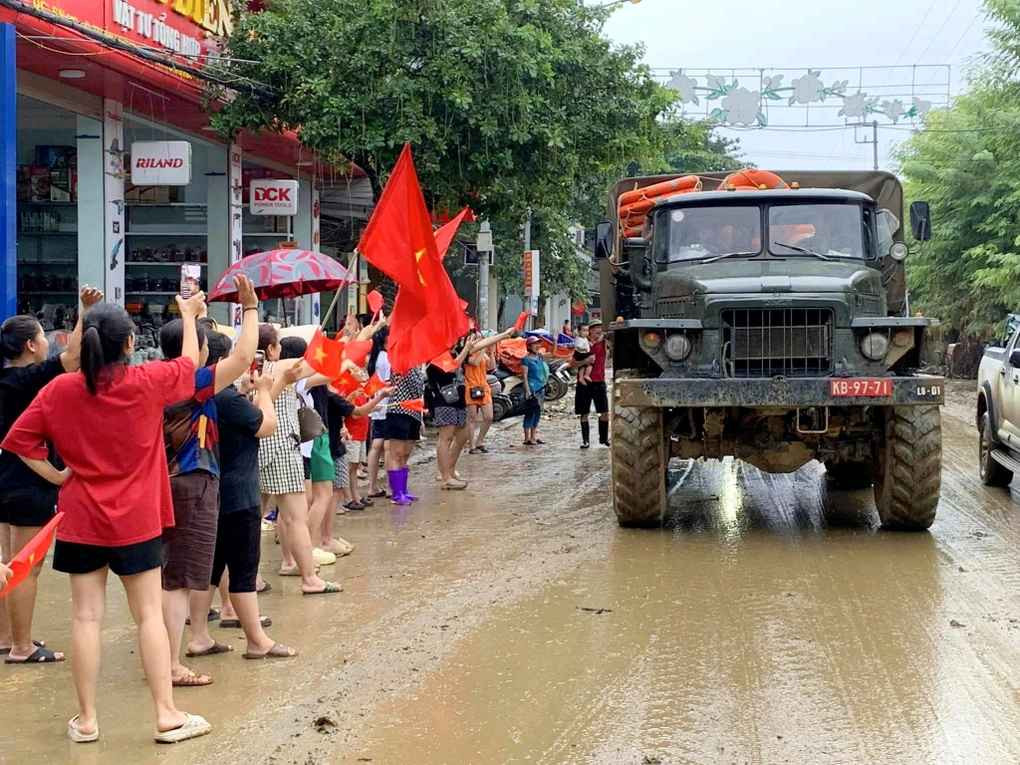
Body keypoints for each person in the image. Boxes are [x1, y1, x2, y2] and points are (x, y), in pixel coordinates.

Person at [1, 296, 211, 744]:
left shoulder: (61, 390)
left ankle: (87, 720)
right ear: (130, 343)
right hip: (137, 518)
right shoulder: (147, 381)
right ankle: (166, 715)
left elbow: (18, 441)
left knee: (85, 618)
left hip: (81, 518)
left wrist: (59, 476)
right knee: (148, 616)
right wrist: (189, 316)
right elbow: (189, 364)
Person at [158, 275, 260, 688]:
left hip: (163, 483)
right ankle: (169, 665)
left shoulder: (151, 378)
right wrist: (249, 307)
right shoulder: (192, 383)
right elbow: (243, 355)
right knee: (179, 582)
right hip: (192, 482)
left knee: (170, 576)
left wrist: (192, 317)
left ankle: (166, 657)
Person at [0, 286, 102, 666]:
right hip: (29, 483)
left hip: (6, 481)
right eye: (43, 337)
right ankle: (22, 647)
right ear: (30, 345)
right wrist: (84, 311)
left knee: (9, 562)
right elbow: (73, 357)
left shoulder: (6, 380)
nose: (47, 343)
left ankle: (7, 637)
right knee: (27, 567)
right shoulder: (28, 379)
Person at [186, 331, 295, 661]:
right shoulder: (227, 399)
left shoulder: (198, 395)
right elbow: (266, 425)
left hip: (210, 492)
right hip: (239, 494)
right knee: (244, 570)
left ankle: (199, 637)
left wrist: (254, 391)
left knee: (210, 570)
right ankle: (257, 640)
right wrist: (264, 390)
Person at [258, 325, 341, 595]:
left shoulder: (242, 372)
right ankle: (309, 578)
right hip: (282, 447)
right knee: (296, 517)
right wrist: (337, 341)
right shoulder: (281, 367)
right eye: (278, 344)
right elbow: (324, 363)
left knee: (252, 519)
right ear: (271, 349)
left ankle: (252, 577)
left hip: (254, 449)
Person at [427, 342, 474, 490]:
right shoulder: (436, 356)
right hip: (444, 401)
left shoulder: (454, 352)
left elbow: (478, 346)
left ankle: (450, 469)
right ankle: (445, 477)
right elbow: (452, 367)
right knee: (445, 438)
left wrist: (505, 334)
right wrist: (466, 349)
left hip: (459, 400)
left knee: (463, 435)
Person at [464, 327, 516, 455]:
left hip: (483, 386)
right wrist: (483, 348)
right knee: (472, 418)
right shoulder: (466, 353)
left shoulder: (483, 353)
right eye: (475, 338)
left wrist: (491, 352)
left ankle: (480, 441)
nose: (478, 340)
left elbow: (491, 367)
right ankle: (472, 445)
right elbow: (475, 362)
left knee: (489, 417)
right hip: (471, 386)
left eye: (479, 338)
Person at [385, 365, 426, 505]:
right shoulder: (401, 363)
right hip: (399, 410)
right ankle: (397, 493)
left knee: (405, 454)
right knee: (396, 453)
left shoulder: (416, 366)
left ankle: (403, 489)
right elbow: (416, 389)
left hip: (414, 412)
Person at [364, 329, 391, 499]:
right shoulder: (386, 358)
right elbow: (388, 382)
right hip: (387, 404)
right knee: (388, 446)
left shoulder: (374, 358)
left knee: (375, 446)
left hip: (376, 404)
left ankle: (371, 486)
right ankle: (389, 486)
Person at [575, 320, 609, 449]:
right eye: (595, 328)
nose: (598, 330)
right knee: (584, 413)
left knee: (604, 412)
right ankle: (586, 441)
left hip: (599, 381)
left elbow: (610, 335)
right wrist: (585, 361)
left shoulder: (604, 342)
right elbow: (573, 363)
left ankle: (603, 439)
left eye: (600, 327)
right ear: (589, 331)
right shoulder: (582, 344)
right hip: (584, 383)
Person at [521, 336, 549, 446]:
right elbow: (524, 376)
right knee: (530, 413)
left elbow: (553, 354)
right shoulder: (526, 360)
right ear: (529, 346)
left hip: (541, 388)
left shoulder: (540, 357)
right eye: (534, 344)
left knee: (537, 413)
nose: (537, 346)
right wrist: (527, 390)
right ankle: (526, 438)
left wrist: (555, 341)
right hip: (533, 389)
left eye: (538, 344)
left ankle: (533, 437)